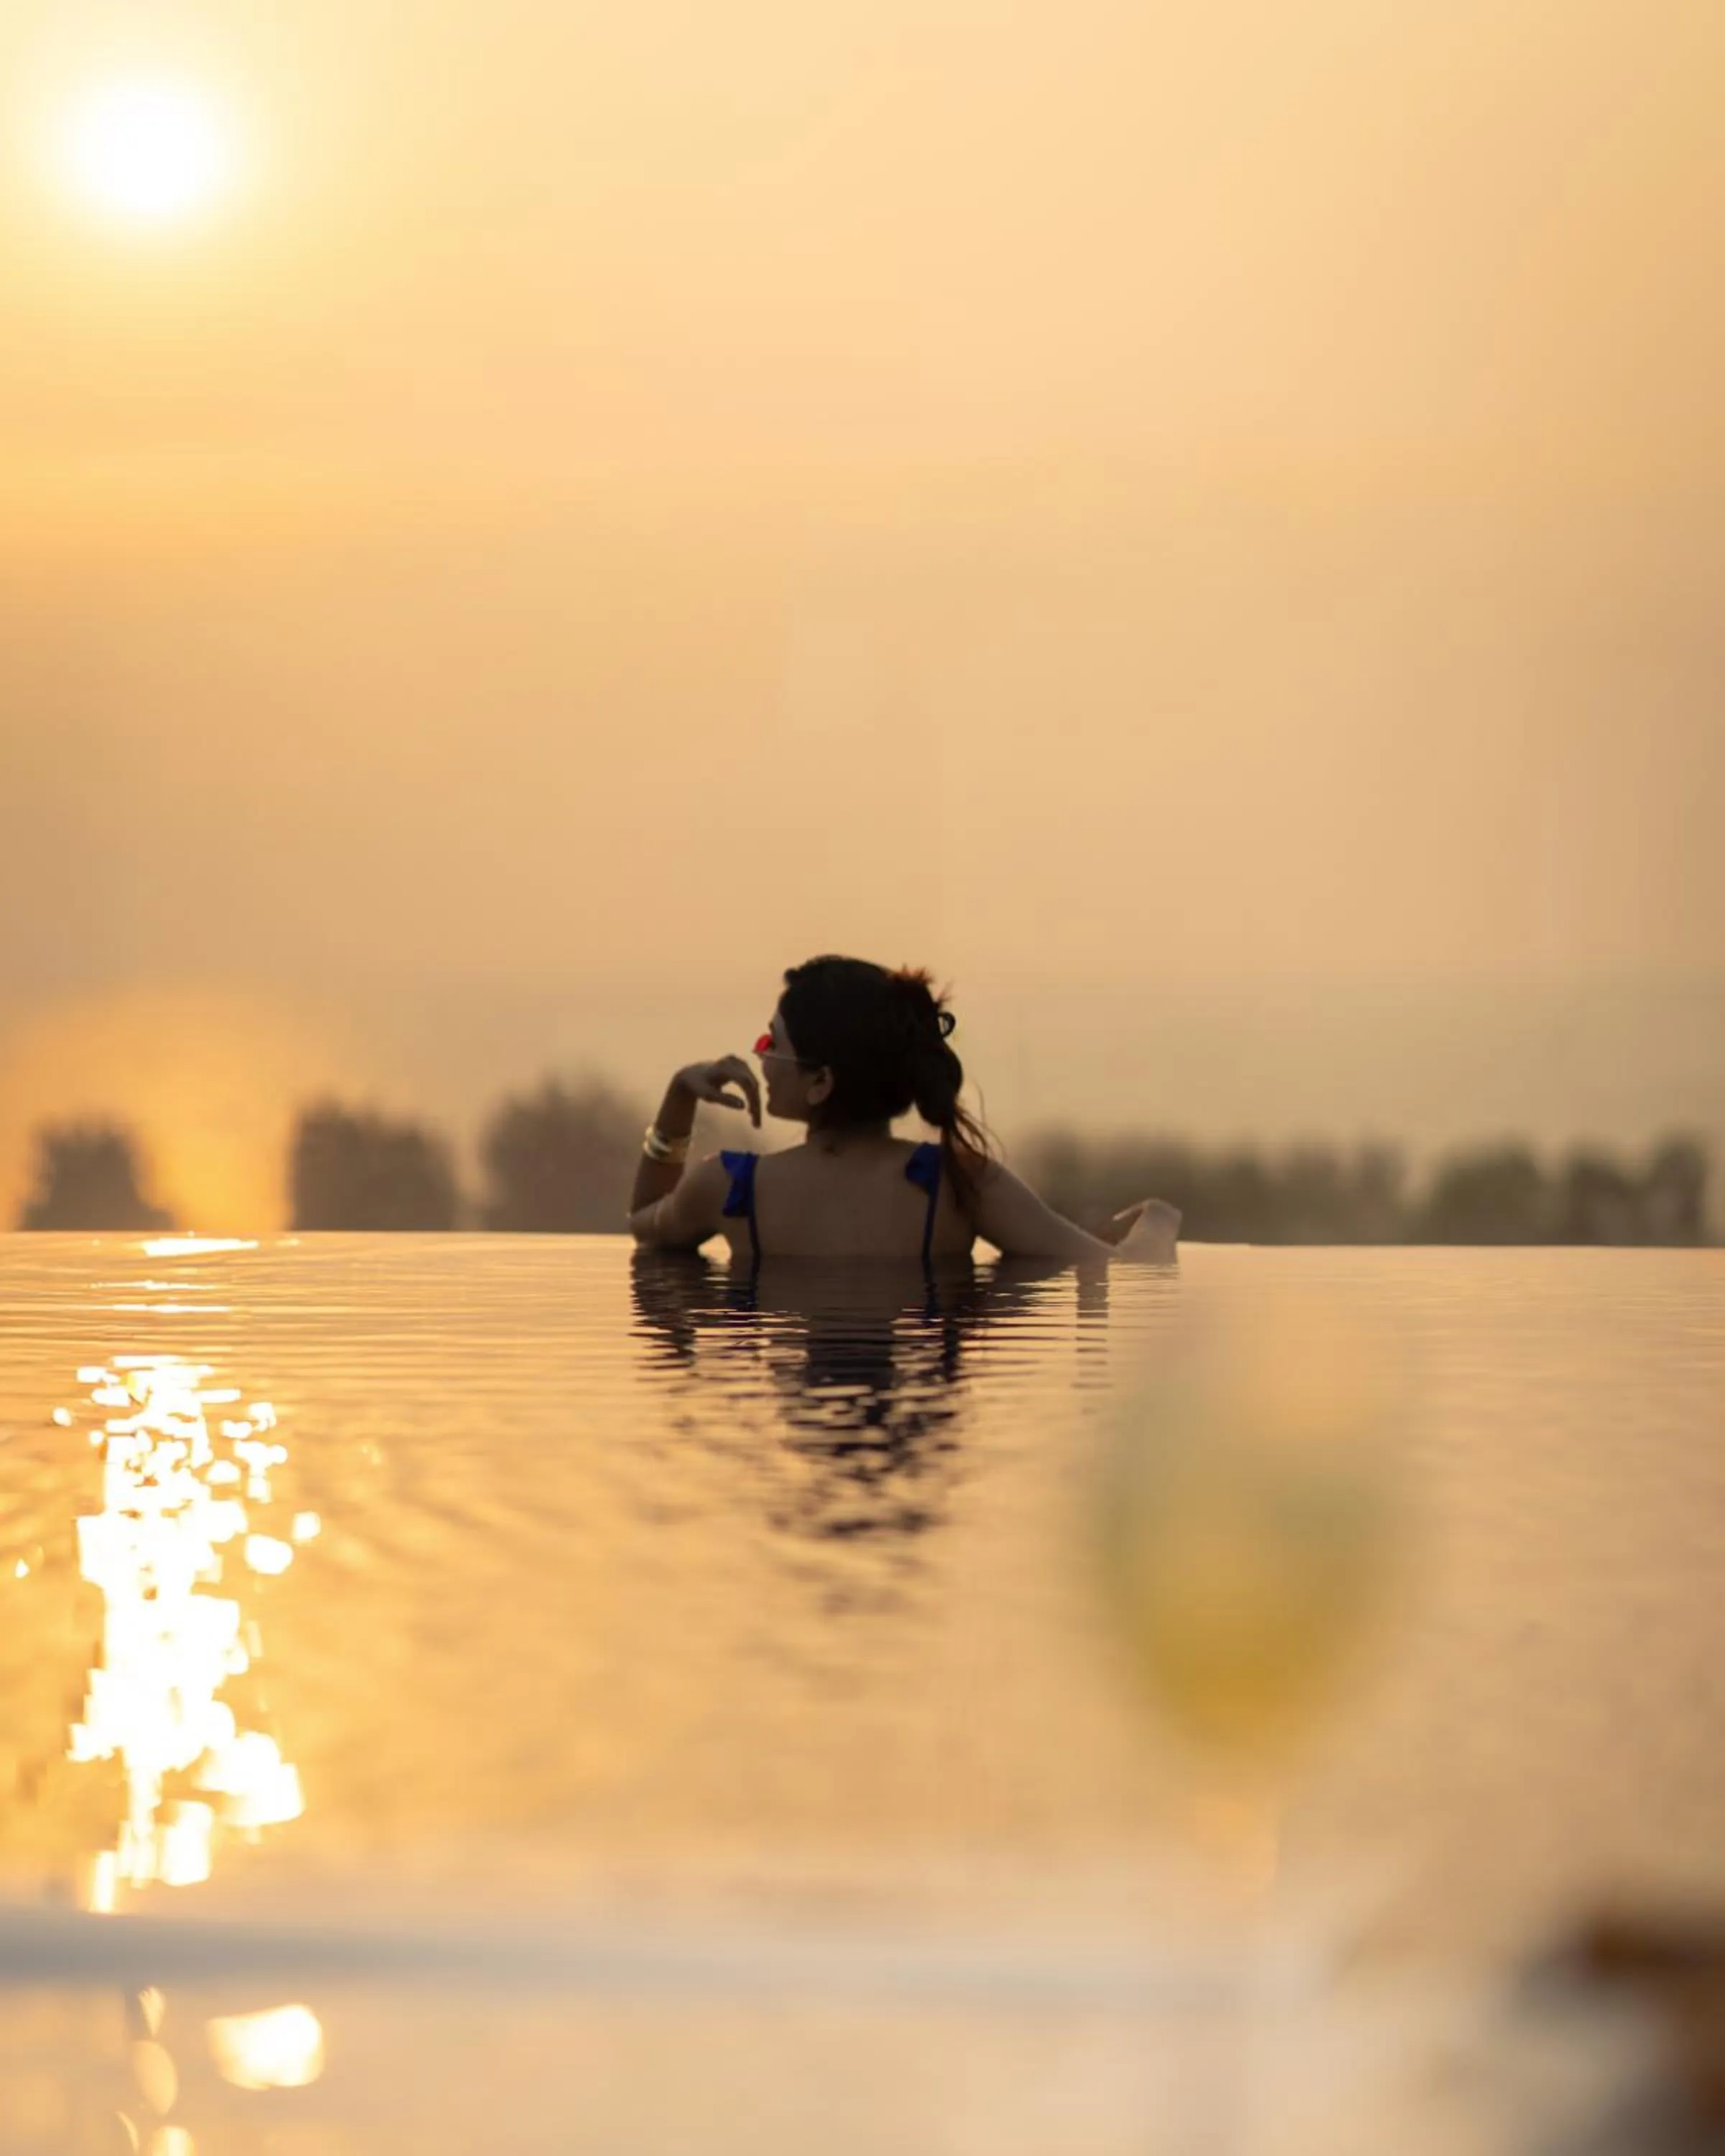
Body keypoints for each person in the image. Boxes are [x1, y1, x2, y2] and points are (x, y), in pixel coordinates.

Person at [626, 954, 1179, 1265]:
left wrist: (679, 1099)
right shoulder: (954, 1182)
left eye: (772, 1044)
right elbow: (1124, 1273)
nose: (761, 1058)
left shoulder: (729, 1186)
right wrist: (1156, 1222)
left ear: (821, 1081)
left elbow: (645, 1225)